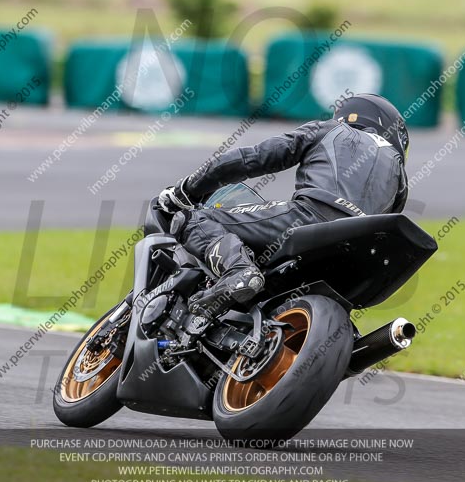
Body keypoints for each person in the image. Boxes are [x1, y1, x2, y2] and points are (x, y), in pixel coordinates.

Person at [158, 93, 410, 318]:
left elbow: (252, 159)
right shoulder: (400, 172)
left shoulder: (330, 129)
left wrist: (186, 189)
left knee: (194, 219)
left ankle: (238, 271)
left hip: (310, 216)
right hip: (359, 252)